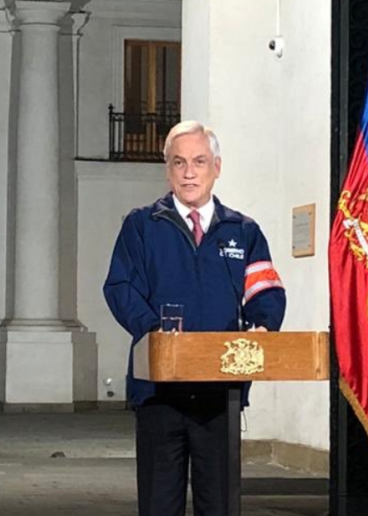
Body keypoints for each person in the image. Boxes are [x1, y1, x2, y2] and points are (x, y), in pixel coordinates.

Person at [103, 120, 286, 516]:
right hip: (158, 392)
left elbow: (265, 291)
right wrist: (156, 333)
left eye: (199, 162)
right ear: (167, 168)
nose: (189, 172)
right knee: (158, 506)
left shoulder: (243, 231)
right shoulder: (141, 226)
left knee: (218, 506)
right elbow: (119, 287)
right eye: (179, 162)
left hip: (220, 393)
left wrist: (262, 328)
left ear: (216, 167)